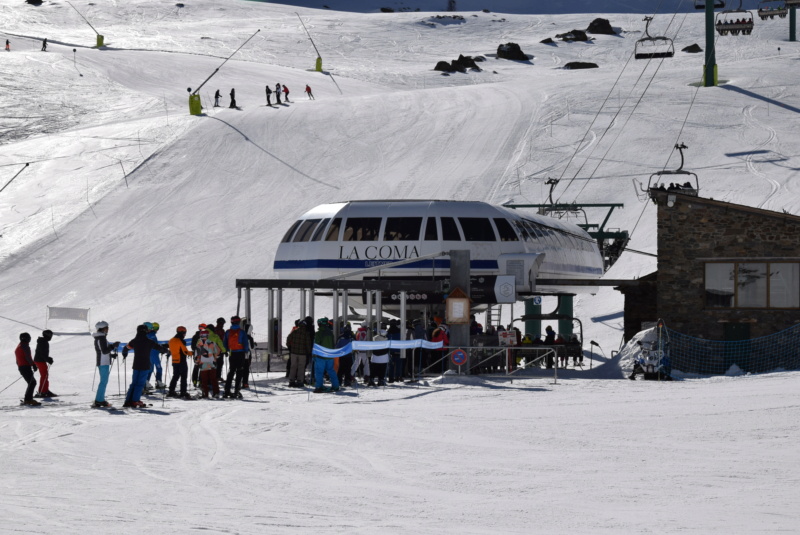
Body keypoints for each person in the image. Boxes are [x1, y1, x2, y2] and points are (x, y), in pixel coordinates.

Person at [123, 324, 167, 408]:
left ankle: (128, 400)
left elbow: (126, 348)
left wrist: (124, 353)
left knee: (134, 383)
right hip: (145, 365)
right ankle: (135, 401)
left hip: (136, 365)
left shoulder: (134, 341)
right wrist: (167, 351)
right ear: (145, 331)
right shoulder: (149, 341)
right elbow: (159, 348)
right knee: (140, 383)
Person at [92, 321, 119, 408]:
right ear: (103, 328)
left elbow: (102, 351)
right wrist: (113, 346)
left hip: (102, 362)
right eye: (107, 327)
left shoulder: (99, 337)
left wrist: (110, 355)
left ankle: (100, 399)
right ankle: (99, 400)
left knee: (103, 382)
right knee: (103, 382)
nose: (108, 329)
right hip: (103, 363)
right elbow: (104, 351)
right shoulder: (101, 338)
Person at [223, 315, 250, 399]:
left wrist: (227, 350)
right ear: (239, 322)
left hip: (232, 354)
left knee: (231, 372)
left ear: (231, 322)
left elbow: (225, 343)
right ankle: (236, 391)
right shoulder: (242, 332)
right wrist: (246, 351)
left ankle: (227, 390)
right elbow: (245, 343)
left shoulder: (228, 332)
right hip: (240, 353)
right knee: (240, 371)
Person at [313, 317, 338, 393]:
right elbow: (333, 344)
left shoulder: (318, 334)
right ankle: (336, 386)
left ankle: (319, 386)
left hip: (320, 356)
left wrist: (314, 355)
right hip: (329, 356)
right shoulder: (330, 333)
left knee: (319, 372)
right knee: (331, 371)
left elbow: (316, 345)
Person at [166, 326, 193, 399]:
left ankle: (171, 391)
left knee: (175, 376)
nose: (185, 334)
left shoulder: (171, 340)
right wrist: (192, 353)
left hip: (174, 361)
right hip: (182, 361)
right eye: (184, 333)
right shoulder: (180, 340)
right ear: (182, 333)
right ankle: (183, 392)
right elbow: (185, 351)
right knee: (183, 377)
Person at [194, 329, 221, 398]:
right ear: (208, 335)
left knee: (204, 380)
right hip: (212, 364)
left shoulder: (198, 345)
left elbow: (197, 355)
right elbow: (218, 351)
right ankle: (216, 393)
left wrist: (197, 362)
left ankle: (205, 393)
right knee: (213, 379)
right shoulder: (212, 343)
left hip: (203, 365)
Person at [286, 318, 312, 388]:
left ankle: (291, 381)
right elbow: (308, 344)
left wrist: (289, 346)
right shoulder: (306, 333)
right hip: (302, 354)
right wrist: (309, 352)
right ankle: (300, 381)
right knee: (301, 367)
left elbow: (288, 338)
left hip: (294, 352)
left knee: (293, 367)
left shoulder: (294, 331)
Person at [16, 333, 38, 406]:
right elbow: (28, 357)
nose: (29, 339)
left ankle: (28, 399)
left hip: (22, 367)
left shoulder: (19, 346)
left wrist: (20, 366)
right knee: (32, 382)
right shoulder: (24, 346)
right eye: (29, 337)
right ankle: (28, 399)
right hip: (25, 367)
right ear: (25, 338)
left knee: (31, 382)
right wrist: (33, 365)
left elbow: (17, 359)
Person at [33, 329, 56, 398]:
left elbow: (42, 353)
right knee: (44, 375)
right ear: (47, 335)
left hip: (39, 360)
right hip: (40, 360)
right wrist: (48, 359)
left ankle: (45, 390)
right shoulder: (43, 342)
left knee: (45, 375)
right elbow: (42, 353)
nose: (51, 337)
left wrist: (48, 358)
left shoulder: (43, 341)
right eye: (50, 335)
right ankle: (43, 391)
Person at [145, 322, 165, 392]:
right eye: (157, 328)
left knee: (150, 368)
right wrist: (161, 348)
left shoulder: (148, 334)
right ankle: (158, 382)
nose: (157, 330)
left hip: (150, 353)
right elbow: (154, 344)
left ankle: (146, 382)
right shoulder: (152, 334)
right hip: (154, 353)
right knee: (159, 367)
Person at [241, 317, 256, 389]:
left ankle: (239, 382)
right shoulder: (250, 337)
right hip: (247, 354)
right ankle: (245, 383)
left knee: (240, 368)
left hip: (240, 354)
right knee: (246, 369)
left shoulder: (241, 335)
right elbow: (252, 347)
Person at [213, 317, 227, 381]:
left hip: (214, 350)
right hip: (219, 350)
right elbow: (222, 341)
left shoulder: (214, 330)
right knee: (219, 363)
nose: (223, 324)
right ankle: (216, 377)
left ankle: (216, 377)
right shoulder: (220, 331)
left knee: (217, 364)